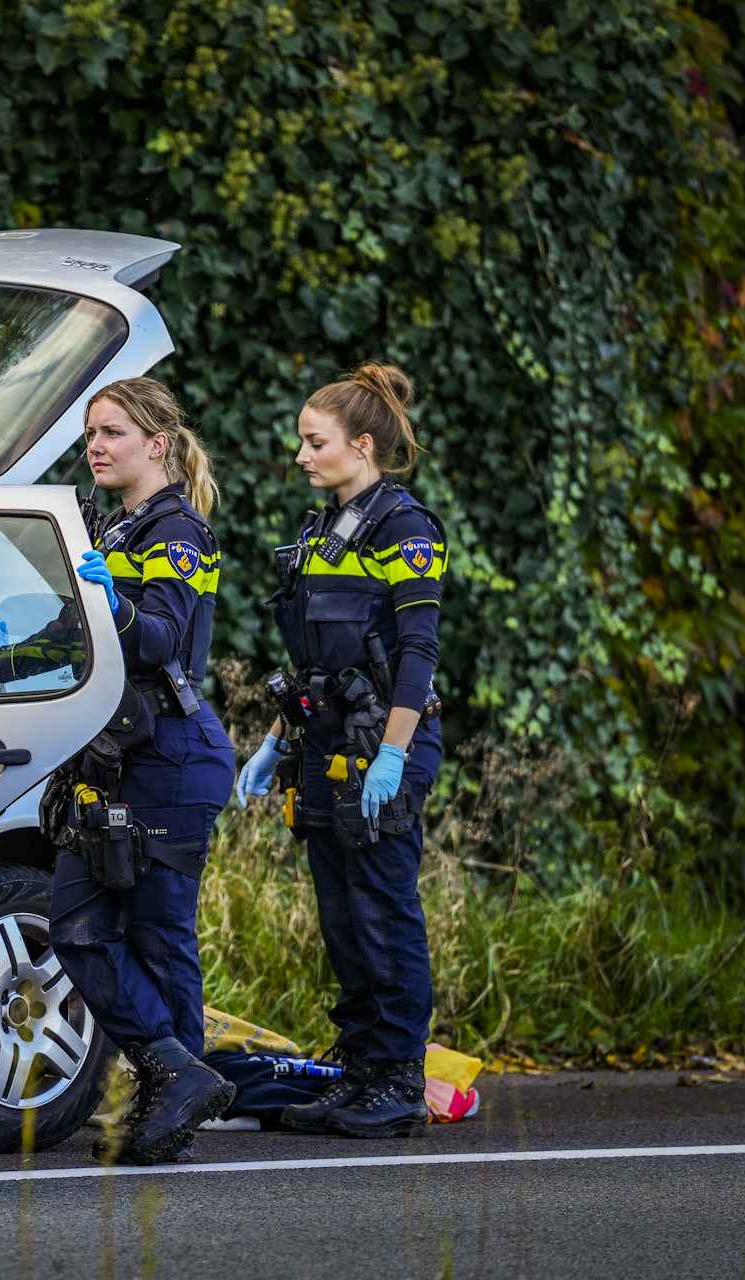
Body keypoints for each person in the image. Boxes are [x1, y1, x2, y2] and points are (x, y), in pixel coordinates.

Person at [233, 362, 447, 1139]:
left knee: (383, 912)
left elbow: (416, 655)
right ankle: (358, 1071)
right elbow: (313, 666)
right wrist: (272, 742)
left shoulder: (407, 530)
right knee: (342, 917)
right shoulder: (323, 532)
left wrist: (395, 754)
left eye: (313, 442)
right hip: (323, 745)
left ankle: (397, 1078)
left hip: (380, 748)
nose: (300, 457)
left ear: (361, 445)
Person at [52, 378, 239, 1165]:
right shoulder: (117, 527)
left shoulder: (178, 532)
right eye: (92, 431)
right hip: (124, 758)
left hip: (172, 758)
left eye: (114, 432)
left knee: (159, 938)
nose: (96, 444)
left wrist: (112, 604)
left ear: (156, 444)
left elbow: (161, 638)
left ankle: (173, 1106)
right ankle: (177, 1076)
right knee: (79, 924)